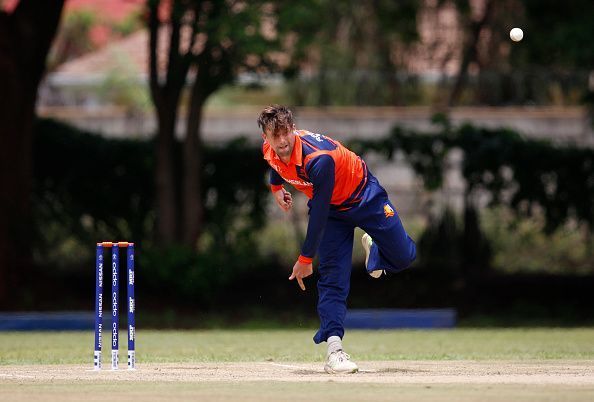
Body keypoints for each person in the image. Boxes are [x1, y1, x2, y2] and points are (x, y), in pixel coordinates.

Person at [258, 105, 416, 374]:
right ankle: (335, 351)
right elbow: (277, 166)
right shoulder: (270, 151)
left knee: (404, 256)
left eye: (286, 133)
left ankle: (375, 250)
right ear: (266, 138)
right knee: (332, 277)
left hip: (363, 195)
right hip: (333, 213)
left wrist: (305, 258)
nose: (282, 141)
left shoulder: (319, 159)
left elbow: (318, 210)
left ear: (293, 129)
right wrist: (275, 188)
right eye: (275, 136)